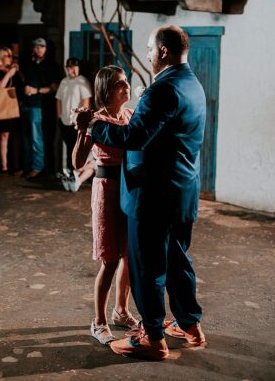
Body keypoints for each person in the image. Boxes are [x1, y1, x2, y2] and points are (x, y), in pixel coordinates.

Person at [78, 24, 207, 361]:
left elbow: (133, 137)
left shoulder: (162, 89)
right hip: (183, 191)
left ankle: (151, 336)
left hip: (153, 195)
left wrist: (94, 125)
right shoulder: (193, 85)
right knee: (178, 260)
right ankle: (188, 324)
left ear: (163, 51)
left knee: (146, 266)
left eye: (150, 49)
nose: (148, 55)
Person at [72, 65, 139, 345]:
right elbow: (77, 163)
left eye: (126, 82)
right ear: (106, 90)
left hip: (129, 190)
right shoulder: (96, 120)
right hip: (106, 189)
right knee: (109, 259)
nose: (126, 87)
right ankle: (98, 321)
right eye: (120, 84)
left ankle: (121, 311)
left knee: (128, 256)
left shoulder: (130, 115)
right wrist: (81, 130)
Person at [18, 38, 59, 179]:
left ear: (46, 49)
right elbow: (26, 82)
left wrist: (37, 90)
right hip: (27, 105)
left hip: (39, 106)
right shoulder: (30, 64)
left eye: (42, 47)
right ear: (33, 49)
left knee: (37, 138)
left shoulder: (50, 65)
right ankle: (27, 166)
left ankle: (38, 167)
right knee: (26, 138)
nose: (39, 49)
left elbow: (54, 88)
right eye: (37, 47)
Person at [56, 58, 93, 191]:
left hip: (76, 122)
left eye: (76, 67)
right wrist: (59, 115)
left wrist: (81, 118)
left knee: (76, 149)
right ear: (67, 68)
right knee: (69, 147)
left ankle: (77, 176)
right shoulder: (64, 82)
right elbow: (59, 99)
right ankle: (72, 175)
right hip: (64, 120)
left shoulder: (82, 81)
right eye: (71, 67)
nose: (74, 70)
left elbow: (86, 101)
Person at [0, 46, 21, 173]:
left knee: (16, 135)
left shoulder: (13, 70)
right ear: (1, 57)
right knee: (4, 135)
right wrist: (8, 74)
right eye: (7, 55)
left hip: (14, 105)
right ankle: (4, 165)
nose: (10, 58)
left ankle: (16, 164)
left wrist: (16, 72)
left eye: (11, 55)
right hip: (2, 106)